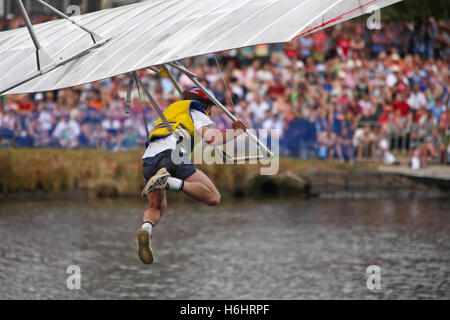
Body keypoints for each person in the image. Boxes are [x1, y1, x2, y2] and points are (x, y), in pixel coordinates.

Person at [137, 86, 247, 265]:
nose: (210, 113)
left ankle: (146, 229)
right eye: (210, 108)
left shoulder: (173, 110)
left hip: (149, 160)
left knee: (157, 207)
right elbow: (212, 139)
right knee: (213, 197)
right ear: (205, 104)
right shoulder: (195, 108)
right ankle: (170, 182)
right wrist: (237, 132)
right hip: (172, 154)